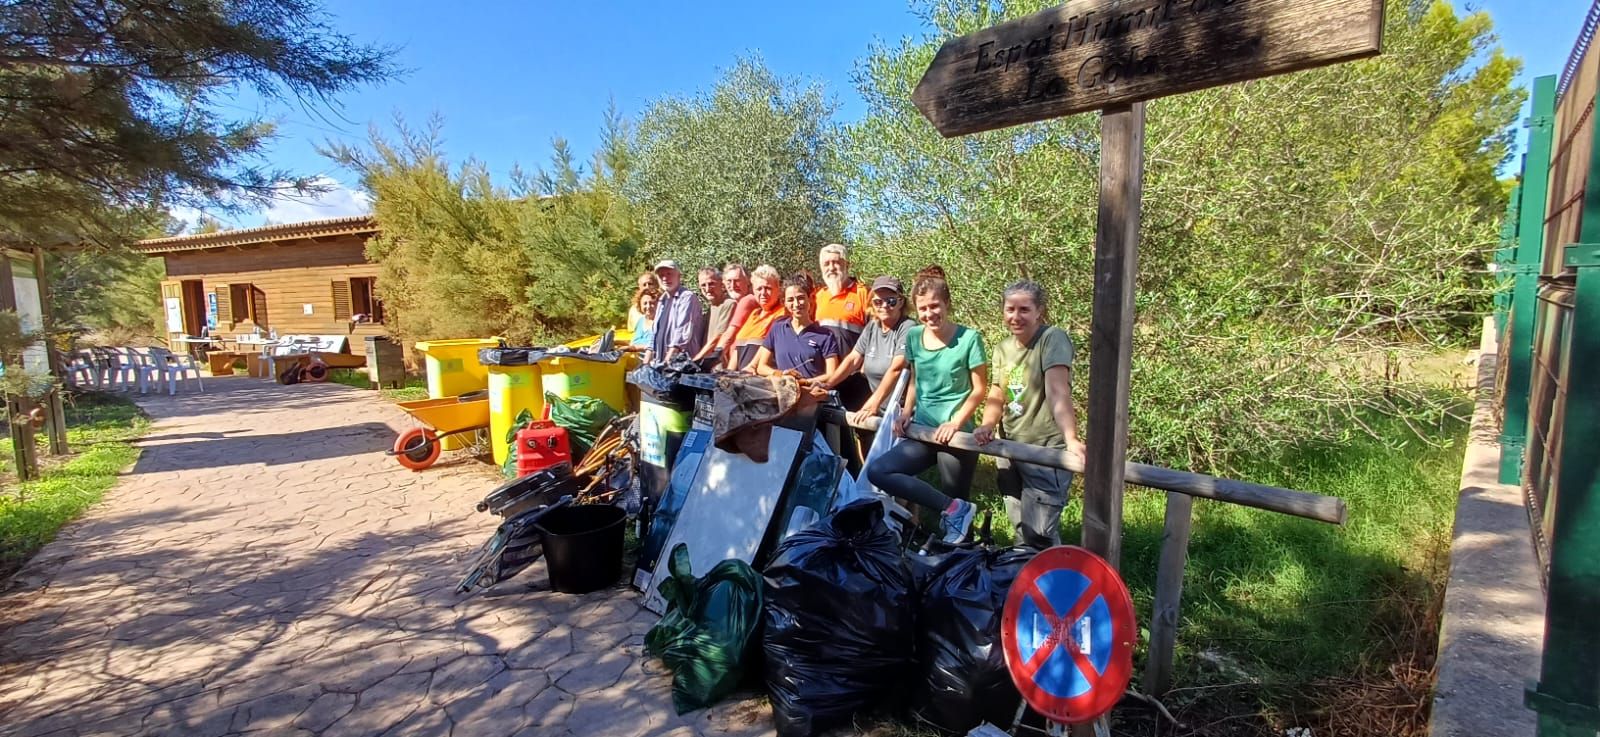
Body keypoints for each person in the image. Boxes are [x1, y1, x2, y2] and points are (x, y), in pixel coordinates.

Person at [866, 266, 987, 544]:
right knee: (880, 470)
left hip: (956, 435)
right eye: (923, 308)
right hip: (924, 430)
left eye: (935, 306)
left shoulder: (969, 339)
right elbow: (915, 379)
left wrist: (955, 422)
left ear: (947, 304)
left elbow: (980, 389)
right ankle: (954, 510)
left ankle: (962, 563)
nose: (929, 313)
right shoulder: (913, 337)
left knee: (956, 517)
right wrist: (906, 412)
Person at [974, 281, 1084, 548]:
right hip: (1009, 446)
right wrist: (987, 424)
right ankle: (1024, 583)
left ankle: (1060, 585)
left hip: (1044, 448)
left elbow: (1058, 391)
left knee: (1040, 533)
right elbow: (998, 393)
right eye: (1010, 309)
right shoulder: (1003, 348)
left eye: (1024, 309)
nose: (1016, 316)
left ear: (1039, 312)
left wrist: (1071, 439)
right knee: (1021, 526)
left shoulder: (1052, 339)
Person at [825, 275, 913, 473]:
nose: (884, 306)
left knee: (894, 473)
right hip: (877, 408)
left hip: (901, 411)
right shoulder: (872, 327)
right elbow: (853, 360)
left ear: (901, 301)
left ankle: (907, 501)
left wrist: (872, 404)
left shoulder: (908, 328)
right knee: (872, 464)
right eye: (878, 301)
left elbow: (897, 368)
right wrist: (828, 385)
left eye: (891, 300)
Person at [753, 273, 842, 381]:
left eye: (800, 298)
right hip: (784, 393)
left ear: (810, 298)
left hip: (813, 394)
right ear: (784, 302)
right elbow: (761, 367)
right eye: (790, 300)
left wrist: (804, 383)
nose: (796, 304)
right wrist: (781, 374)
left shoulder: (825, 335)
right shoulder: (777, 328)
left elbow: (832, 374)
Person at [728, 264, 786, 370]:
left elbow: (768, 346)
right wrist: (728, 373)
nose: (763, 293)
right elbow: (738, 349)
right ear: (753, 291)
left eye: (768, 288)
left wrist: (752, 367)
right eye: (759, 289)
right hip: (741, 379)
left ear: (778, 289)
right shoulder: (754, 315)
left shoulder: (783, 314)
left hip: (761, 380)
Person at [650, 259, 707, 363]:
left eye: (669, 274)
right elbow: (654, 333)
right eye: (661, 275)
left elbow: (682, 333)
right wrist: (646, 363)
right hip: (662, 363)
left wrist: (667, 362)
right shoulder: (662, 300)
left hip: (682, 364)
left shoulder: (687, 297)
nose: (665, 278)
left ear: (679, 276)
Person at [692, 267, 735, 364]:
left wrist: (696, 360)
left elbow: (717, 337)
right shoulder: (709, 310)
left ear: (722, 284)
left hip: (719, 367)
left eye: (711, 284)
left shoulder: (729, 304)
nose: (707, 289)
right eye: (703, 285)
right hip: (707, 368)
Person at [628, 286, 660, 352]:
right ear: (640, 305)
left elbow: (655, 345)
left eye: (652, 303)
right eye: (645, 303)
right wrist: (617, 342)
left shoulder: (662, 321)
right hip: (639, 358)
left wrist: (634, 348)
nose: (648, 306)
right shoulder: (641, 320)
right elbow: (634, 342)